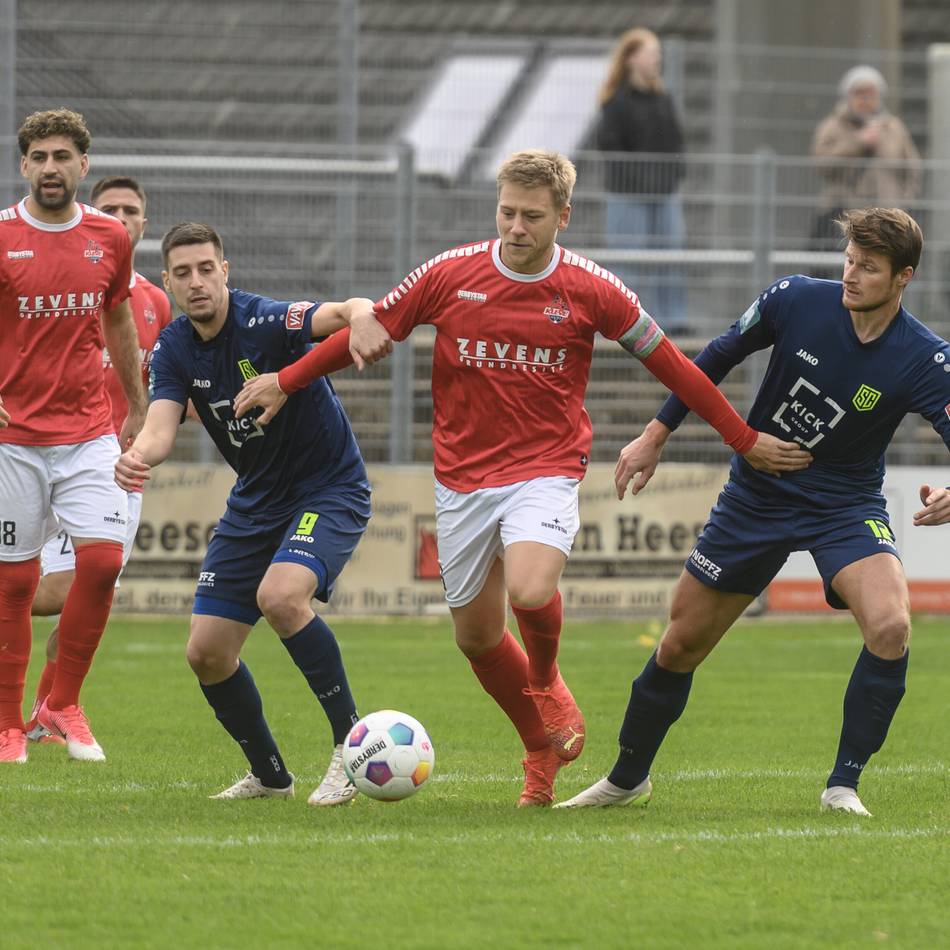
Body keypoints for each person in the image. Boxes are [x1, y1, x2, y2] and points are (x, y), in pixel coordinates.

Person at [233, 149, 810, 807]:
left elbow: (675, 367)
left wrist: (741, 439)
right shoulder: (450, 273)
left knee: (533, 592)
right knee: (475, 637)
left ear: (562, 216)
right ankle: (538, 745)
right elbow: (377, 329)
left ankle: (546, 682)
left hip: (545, 469)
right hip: (460, 480)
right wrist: (286, 378)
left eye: (532, 216)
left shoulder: (594, 288)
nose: (515, 226)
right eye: (507, 211)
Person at [557, 208, 950, 816]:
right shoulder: (795, 298)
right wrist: (657, 432)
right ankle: (627, 777)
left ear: (903, 278)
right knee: (681, 643)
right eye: (848, 259)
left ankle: (843, 785)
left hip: (844, 505)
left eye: (868, 268)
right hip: (757, 496)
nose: (850, 275)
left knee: (892, 625)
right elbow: (714, 356)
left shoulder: (924, 357)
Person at [114, 222, 390, 804]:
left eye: (206, 269)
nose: (197, 282)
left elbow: (346, 311)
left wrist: (364, 313)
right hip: (254, 502)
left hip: (328, 489)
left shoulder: (265, 320)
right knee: (207, 653)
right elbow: (161, 428)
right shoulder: (172, 347)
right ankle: (270, 777)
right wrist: (136, 457)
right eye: (183, 273)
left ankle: (351, 746)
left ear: (225, 271)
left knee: (282, 596)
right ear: (167, 282)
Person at [0, 109, 147, 764]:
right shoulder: (3, 235)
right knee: (13, 584)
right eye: (39, 157)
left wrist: (138, 404)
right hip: (15, 437)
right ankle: (8, 727)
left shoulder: (109, 236)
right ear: (24, 165)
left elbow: (118, 321)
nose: (51, 168)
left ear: (82, 166)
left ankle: (62, 702)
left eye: (63, 157)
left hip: (89, 430)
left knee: (104, 563)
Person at [26, 175, 174, 746]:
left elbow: (164, 384)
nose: (120, 217)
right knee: (38, 589)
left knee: (83, 592)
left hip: (113, 469)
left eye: (130, 210)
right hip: (42, 450)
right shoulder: (68, 276)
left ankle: (49, 710)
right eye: (108, 208)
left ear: (141, 224)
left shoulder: (157, 302)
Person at [596, 28, 687, 331]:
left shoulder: (663, 99)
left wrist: (671, 177)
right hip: (627, 195)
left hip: (664, 193)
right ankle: (625, 323)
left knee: (670, 259)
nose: (657, 60)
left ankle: (671, 322)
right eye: (652, 54)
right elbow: (610, 146)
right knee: (628, 262)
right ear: (632, 58)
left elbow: (677, 143)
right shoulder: (616, 102)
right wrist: (641, 178)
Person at [811, 66, 920, 247]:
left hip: (887, 217)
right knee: (832, 265)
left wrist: (904, 203)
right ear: (847, 97)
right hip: (842, 215)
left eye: (871, 94)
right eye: (859, 94)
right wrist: (857, 143)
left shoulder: (894, 128)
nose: (865, 100)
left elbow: (912, 169)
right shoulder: (833, 126)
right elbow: (821, 164)